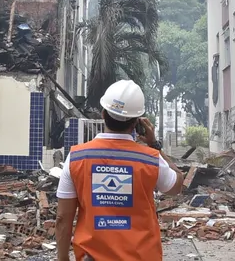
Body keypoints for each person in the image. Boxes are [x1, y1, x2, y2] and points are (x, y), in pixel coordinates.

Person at [55, 80, 185, 261]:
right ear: (136, 122)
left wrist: (62, 258)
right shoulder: (151, 159)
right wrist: (154, 145)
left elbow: (63, 217)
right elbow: (177, 185)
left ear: (103, 114)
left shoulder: (76, 157)